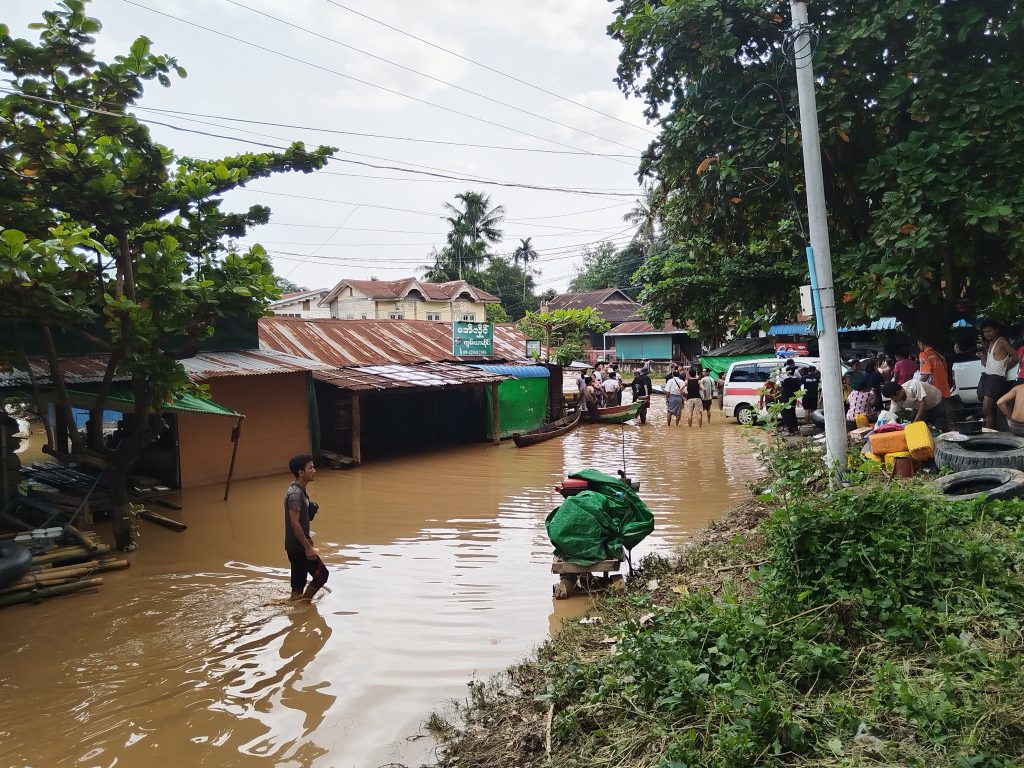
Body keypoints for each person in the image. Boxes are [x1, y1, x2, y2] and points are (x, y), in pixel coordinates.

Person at [284, 454, 329, 602]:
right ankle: (303, 606)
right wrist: (307, 546)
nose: (314, 470)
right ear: (301, 472)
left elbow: (300, 521)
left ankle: (294, 609)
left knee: (298, 586)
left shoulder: (298, 489)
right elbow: (294, 523)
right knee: (322, 575)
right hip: (298, 546)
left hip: (295, 545)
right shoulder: (296, 494)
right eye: (310, 468)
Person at [978, 322, 1019, 430]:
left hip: (996, 378)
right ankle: (994, 433)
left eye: (990, 331)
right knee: (989, 410)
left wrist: (1005, 369)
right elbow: (991, 362)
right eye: (985, 332)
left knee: (986, 409)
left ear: (996, 330)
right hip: (988, 377)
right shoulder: (990, 344)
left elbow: (1016, 356)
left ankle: (990, 435)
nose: (987, 334)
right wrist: (983, 356)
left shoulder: (1001, 342)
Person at [916, 337, 953, 429]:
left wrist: (915, 385)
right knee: (945, 418)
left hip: (933, 391)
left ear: (920, 343)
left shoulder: (923, 354)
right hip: (944, 389)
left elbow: (926, 374)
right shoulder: (938, 354)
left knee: (932, 421)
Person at [778, 363, 803, 435]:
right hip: (793, 398)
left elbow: (782, 388)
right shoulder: (798, 380)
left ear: (787, 372)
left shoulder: (786, 381)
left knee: (787, 414)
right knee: (793, 413)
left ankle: (790, 430)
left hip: (786, 399)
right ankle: (796, 429)